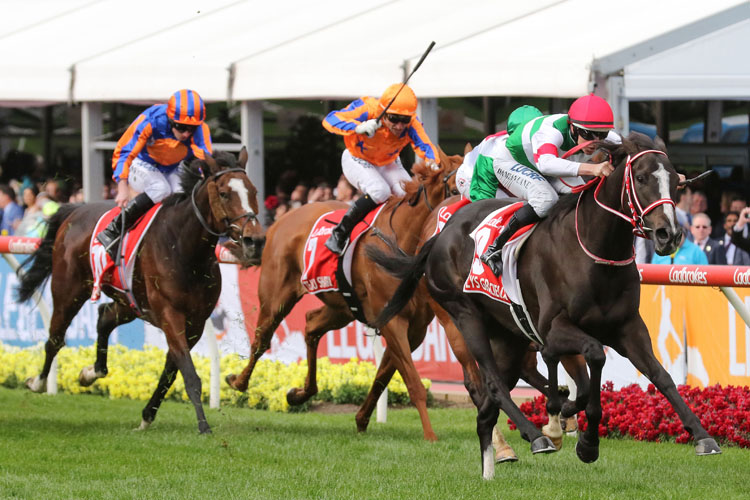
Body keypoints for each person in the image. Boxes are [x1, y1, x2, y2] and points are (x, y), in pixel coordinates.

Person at [471, 94, 620, 276]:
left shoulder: (590, 131)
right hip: (510, 161)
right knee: (546, 199)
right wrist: (593, 168)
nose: (594, 142)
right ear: (571, 126)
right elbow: (546, 164)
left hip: (540, 162)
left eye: (601, 135)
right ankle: (495, 247)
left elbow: (627, 144)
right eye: (588, 134)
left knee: (584, 194)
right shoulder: (550, 131)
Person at [321, 83, 440, 254]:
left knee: (410, 195)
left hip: (388, 161)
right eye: (394, 119)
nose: (400, 126)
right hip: (357, 158)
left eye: (405, 120)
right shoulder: (367, 107)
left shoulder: (413, 124)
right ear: (383, 113)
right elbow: (330, 120)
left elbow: (426, 146)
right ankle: (340, 232)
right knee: (380, 190)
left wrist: (434, 163)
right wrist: (358, 127)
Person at [96, 89, 213, 259]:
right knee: (161, 188)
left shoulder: (201, 130)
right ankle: (114, 228)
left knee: (185, 195)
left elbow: (205, 160)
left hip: (171, 168)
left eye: (192, 128)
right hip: (143, 164)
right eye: (182, 127)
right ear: (171, 120)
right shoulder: (151, 120)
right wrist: (122, 186)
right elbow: (124, 151)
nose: (187, 133)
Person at [455, 105, 543, 200]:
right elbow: (482, 193)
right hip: (472, 177)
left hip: (499, 178)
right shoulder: (495, 150)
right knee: (509, 203)